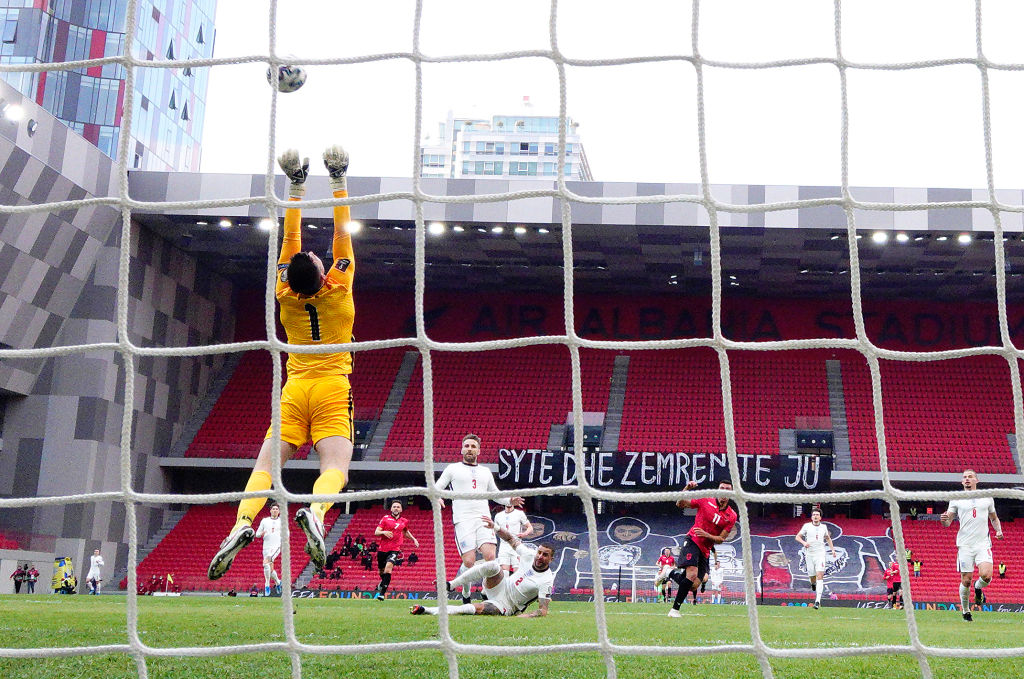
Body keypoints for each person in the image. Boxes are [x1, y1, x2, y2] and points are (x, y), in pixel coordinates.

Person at [208, 145, 357, 580]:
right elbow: (341, 233)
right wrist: (338, 178)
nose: (309, 252)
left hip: (293, 389)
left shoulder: (283, 295)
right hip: (332, 387)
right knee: (334, 469)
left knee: (265, 469)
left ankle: (241, 524)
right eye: (313, 258)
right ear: (322, 271)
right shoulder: (340, 288)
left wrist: (295, 185)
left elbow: (290, 240)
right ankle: (315, 512)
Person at [435, 433, 523, 603]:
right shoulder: (452, 469)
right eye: (467, 446)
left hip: (483, 519)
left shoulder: (485, 471)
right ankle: (466, 593)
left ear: (479, 451)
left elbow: (495, 494)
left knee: (490, 557)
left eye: (473, 446)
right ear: (462, 449)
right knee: (469, 562)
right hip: (463, 520)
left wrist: (509, 500)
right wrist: (437, 497)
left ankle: (485, 592)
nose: (470, 449)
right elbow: (437, 487)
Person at [409, 515, 554, 618]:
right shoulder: (529, 555)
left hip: (508, 605)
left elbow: (543, 610)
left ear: (551, 559)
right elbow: (510, 538)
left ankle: (426, 610)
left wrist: (524, 617)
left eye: (545, 555)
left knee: (472, 609)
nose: (540, 557)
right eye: (539, 553)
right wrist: (495, 527)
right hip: (499, 585)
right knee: (492, 565)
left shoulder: (546, 580)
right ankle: (450, 585)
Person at [666, 479, 738, 618]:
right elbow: (679, 503)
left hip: (705, 549)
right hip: (692, 540)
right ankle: (674, 610)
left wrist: (706, 535)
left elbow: (721, 539)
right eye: (721, 487)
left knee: (693, 585)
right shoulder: (705, 500)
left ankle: (670, 572)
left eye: (727, 489)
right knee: (691, 574)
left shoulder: (732, 516)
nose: (724, 491)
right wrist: (687, 488)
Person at [940, 469, 1004, 622]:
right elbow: (948, 522)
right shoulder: (956, 499)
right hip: (965, 545)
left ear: (977, 480)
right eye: (964, 477)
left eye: (970, 477)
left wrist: (999, 531)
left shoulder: (987, 498)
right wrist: (944, 520)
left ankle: (978, 587)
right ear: (962, 482)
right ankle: (966, 611)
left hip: (983, 544)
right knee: (965, 580)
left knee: (986, 576)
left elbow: (994, 518)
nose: (967, 479)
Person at [373, 500, 420, 600]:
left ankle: (382, 593)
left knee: (388, 568)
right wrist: (384, 532)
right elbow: (376, 532)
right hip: (382, 549)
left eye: (398, 507)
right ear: (391, 508)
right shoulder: (385, 518)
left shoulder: (404, 521)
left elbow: (405, 531)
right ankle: (382, 582)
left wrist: (414, 539)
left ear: (401, 509)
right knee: (381, 571)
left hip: (395, 549)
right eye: (394, 507)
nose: (396, 508)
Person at [795, 508, 838, 610]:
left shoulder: (824, 527)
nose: (815, 516)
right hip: (809, 554)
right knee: (812, 575)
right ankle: (813, 584)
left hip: (820, 554)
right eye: (814, 514)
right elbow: (797, 537)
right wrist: (804, 543)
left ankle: (817, 601)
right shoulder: (806, 526)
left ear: (820, 517)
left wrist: (832, 550)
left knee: (820, 575)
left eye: (817, 515)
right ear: (811, 517)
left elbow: (828, 538)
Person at [493, 502, 532, 575]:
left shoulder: (519, 513)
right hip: (503, 547)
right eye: (507, 500)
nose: (508, 502)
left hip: (516, 546)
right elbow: (494, 531)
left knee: (517, 573)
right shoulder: (498, 516)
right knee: (504, 574)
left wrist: (524, 534)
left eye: (511, 500)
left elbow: (530, 527)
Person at [255, 501, 284, 596]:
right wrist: (261, 534)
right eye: (273, 509)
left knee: (265, 563)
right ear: (270, 510)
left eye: (277, 509)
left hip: (276, 546)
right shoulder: (264, 521)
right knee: (269, 568)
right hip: (266, 547)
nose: (275, 510)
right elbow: (257, 534)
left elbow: (287, 534)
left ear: (279, 511)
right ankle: (278, 582)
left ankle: (267, 584)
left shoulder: (282, 521)